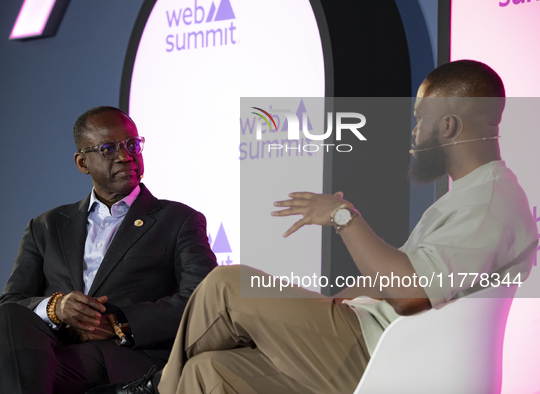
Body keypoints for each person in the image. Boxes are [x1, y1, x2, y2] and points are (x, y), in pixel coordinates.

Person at [89, 60, 538, 394]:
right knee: (211, 372)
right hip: (363, 338)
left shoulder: (491, 203)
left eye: (420, 119)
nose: (414, 131)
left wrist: (343, 218)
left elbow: (410, 293)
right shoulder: (473, 195)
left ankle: (154, 389)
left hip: (379, 358)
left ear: (450, 125)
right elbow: (417, 281)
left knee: (227, 285)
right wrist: (352, 297)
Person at [0, 106, 217, 394]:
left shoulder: (178, 220)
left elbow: (204, 300)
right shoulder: (45, 226)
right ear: (83, 162)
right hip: (53, 355)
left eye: (132, 144)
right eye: (108, 148)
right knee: (9, 315)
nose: (125, 156)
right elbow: (11, 304)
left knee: (25, 376)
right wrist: (57, 308)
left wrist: (120, 324)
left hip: (129, 359)